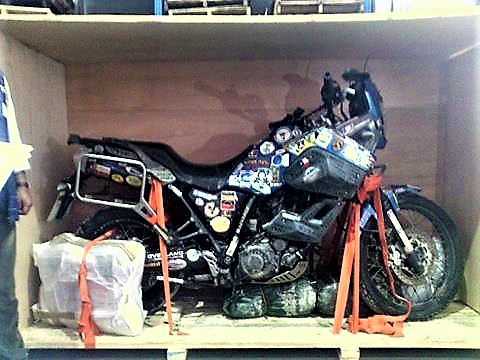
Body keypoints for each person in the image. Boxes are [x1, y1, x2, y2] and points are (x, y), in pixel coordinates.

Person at [0, 72, 33, 360]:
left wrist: (21, 182)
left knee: (3, 291)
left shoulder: (0, 79)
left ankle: (11, 354)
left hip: (2, 191)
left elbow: (11, 131)